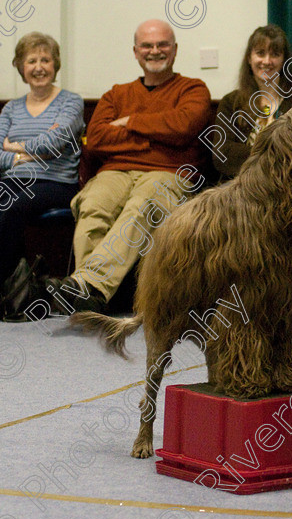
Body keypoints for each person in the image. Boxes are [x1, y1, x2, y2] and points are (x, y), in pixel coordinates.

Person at [11, 19, 211, 317]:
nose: (154, 51)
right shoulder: (116, 94)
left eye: (162, 45)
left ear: (175, 50)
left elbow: (183, 127)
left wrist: (130, 123)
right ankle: (94, 296)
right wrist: (157, 139)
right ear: (135, 51)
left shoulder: (193, 89)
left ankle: (85, 287)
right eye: (147, 45)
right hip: (114, 172)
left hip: (168, 172)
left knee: (143, 205)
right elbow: (98, 140)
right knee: (92, 204)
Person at [0, 33, 84, 304]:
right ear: (21, 67)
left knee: (10, 205)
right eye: (31, 60)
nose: (39, 67)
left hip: (57, 183)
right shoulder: (12, 108)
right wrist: (18, 159)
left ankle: (8, 290)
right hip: (14, 177)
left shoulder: (71, 102)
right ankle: (15, 284)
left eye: (45, 60)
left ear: (55, 65)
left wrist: (13, 146)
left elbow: (54, 140)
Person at [212, 24, 292, 179]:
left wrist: (253, 153)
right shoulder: (231, 103)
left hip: (288, 183)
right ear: (249, 58)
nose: (267, 61)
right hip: (240, 186)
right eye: (260, 53)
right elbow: (222, 155)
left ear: (284, 59)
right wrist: (276, 153)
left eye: (275, 54)